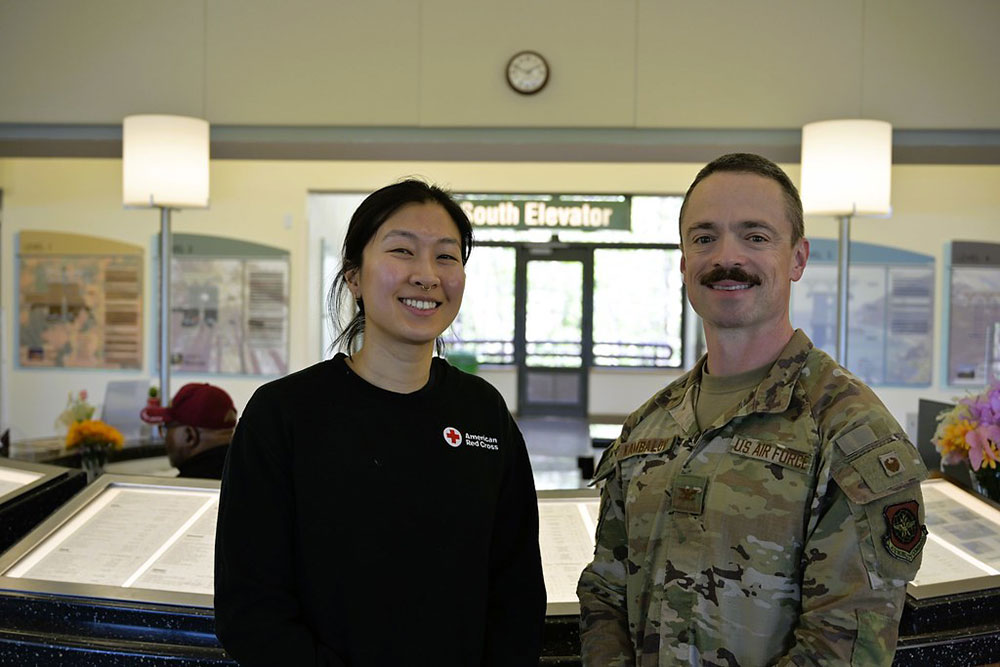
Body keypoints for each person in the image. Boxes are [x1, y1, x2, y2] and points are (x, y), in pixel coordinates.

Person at [577, 153, 928, 665]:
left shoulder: (849, 431)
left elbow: (843, 645)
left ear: (798, 259)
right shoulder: (648, 425)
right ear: (683, 263)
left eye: (755, 237)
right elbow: (607, 594)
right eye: (703, 238)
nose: (726, 256)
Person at [214, 179, 546, 666]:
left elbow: (516, 592)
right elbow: (250, 608)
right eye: (402, 251)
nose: (427, 275)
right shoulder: (283, 414)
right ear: (353, 276)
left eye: (446, 256)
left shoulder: (484, 414)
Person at [140, 382, 237, 480]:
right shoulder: (244, 475)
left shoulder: (186, 487)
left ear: (189, 435)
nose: (165, 439)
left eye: (166, 429)